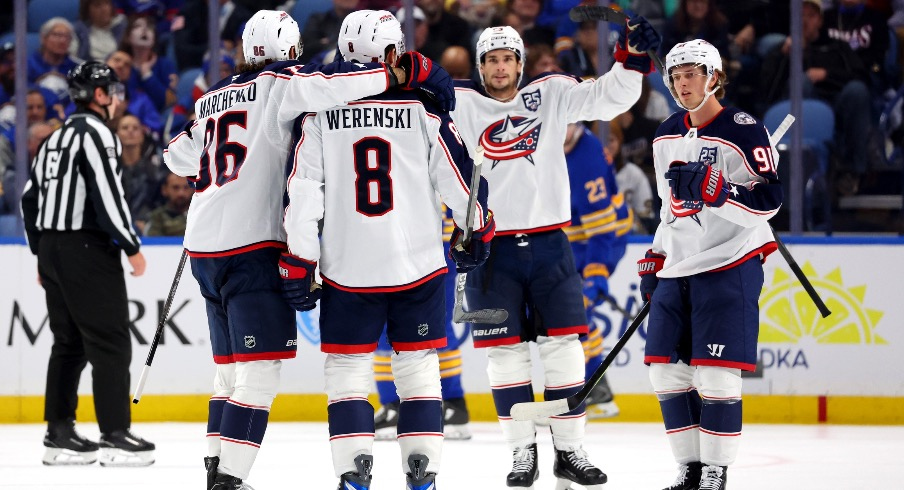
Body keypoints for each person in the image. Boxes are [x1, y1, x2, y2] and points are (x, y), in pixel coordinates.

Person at [163, 9, 455, 490]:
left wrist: (211, 167)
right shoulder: (287, 81)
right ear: (291, 51)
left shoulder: (212, 96)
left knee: (229, 368)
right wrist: (397, 72)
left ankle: (216, 467)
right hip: (255, 242)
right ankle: (229, 480)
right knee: (259, 371)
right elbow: (332, 87)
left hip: (203, 246)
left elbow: (178, 156)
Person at [281, 10, 492, 489]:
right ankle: (422, 470)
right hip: (417, 264)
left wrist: (300, 258)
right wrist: (477, 228)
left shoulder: (317, 113)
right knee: (418, 367)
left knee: (349, 371)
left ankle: (354, 469)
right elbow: (458, 181)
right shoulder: (424, 108)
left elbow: (303, 193)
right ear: (393, 53)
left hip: (347, 269)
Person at [449, 19, 661, 488]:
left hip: (550, 245)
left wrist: (631, 59)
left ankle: (570, 450)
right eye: (492, 60)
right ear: (481, 66)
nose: (500, 68)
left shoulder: (550, 93)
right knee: (505, 356)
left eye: (508, 59)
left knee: (565, 351)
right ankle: (522, 453)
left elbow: (612, 97)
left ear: (520, 64)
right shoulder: (458, 102)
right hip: (490, 250)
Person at [641, 39, 783, 490]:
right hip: (678, 265)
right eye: (677, 75)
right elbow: (669, 210)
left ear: (714, 77)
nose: (683, 83)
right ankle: (690, 469)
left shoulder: (744, 129)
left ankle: (715, 473)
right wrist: (657, 254)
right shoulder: (665, 133)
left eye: (692, 74)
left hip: (729, 261)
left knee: (717, 375)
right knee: (666, 370)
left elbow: (769, 201)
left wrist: (719, 190)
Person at [20, 60, 155, 467]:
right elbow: (107, 194)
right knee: (110, 341)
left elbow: (30, 198)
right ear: (98, 95)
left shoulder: (54, 139)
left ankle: (58, 434)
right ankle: (114, 434)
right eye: (111, 91)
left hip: (54, 249)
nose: (116, 98)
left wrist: (41, 254)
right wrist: (131, 245)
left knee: (68, 343)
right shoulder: (98, 135)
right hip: (87, 250)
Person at [563, 122, 633, 420]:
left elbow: (602, 231)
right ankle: (597, 392)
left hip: (602, 242)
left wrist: (596, 273)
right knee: (571, 315)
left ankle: (594, 393)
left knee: (573, 313)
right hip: (572, 242)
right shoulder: (547, 141)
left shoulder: (586, 157)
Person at [144, 171, 192, 236]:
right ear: (164, 190)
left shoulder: (200, 215)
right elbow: (154, 243)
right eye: (176, 188)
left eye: (186, 188)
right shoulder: (157, 217)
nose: (181, 193)